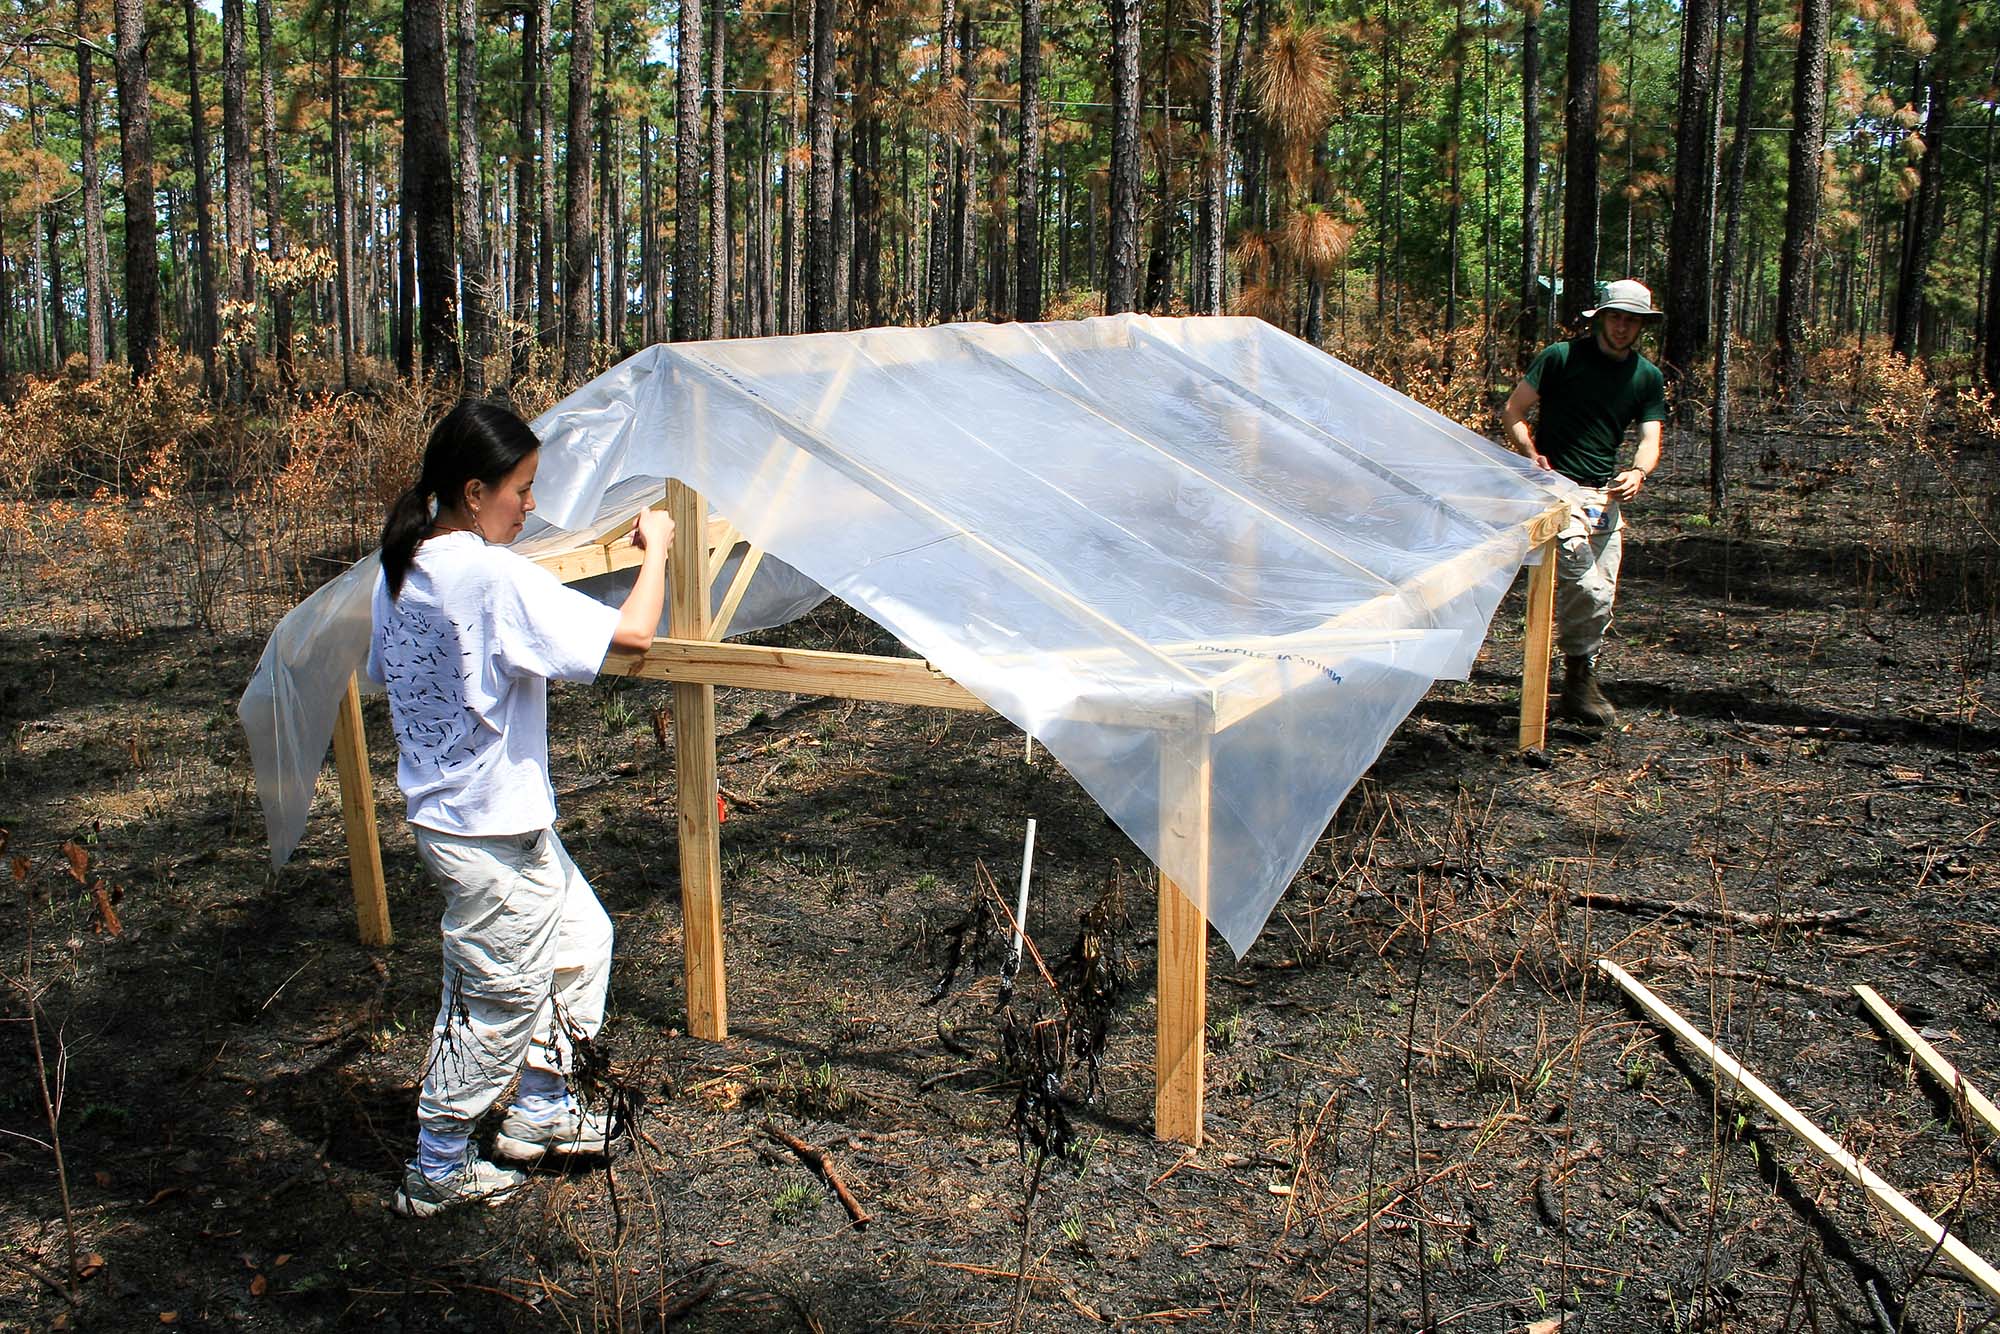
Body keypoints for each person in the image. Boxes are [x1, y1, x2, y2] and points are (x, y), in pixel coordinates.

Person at [369, 400, 673, 1217]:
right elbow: (632, 639)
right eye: (523, 489)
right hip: (487, 832)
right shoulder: (487, 574)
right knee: (495, 1000)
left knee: (582, 939)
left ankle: (543, 1106)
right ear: (475, 491)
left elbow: (390, 669)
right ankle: (437, 1162)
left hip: (471, 820)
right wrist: (660, 555)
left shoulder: (399, 568)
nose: (530, 506)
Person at [1501, 278, 1667, 727]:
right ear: (1600, 318)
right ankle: (1576, 679)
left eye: (1632, 321)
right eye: (1616, 317)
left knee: (1603, 594)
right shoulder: (1560, 357)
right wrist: (1529, 453)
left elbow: (1651, 438)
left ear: (1641, 326)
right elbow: (1514, 409)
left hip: (1604, 494)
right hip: (1556, 491)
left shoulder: (1646, 377)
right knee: (1586, 587)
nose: (1622, 327)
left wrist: (1637, 472)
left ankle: (1579, 680)